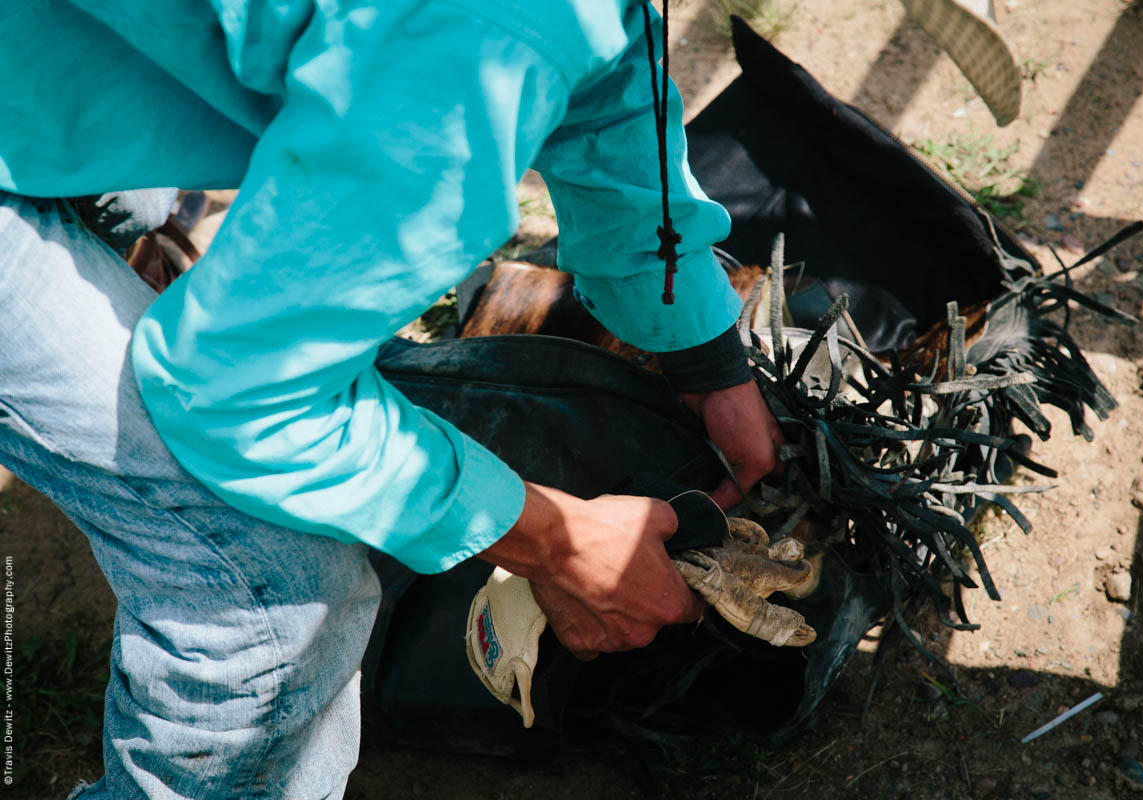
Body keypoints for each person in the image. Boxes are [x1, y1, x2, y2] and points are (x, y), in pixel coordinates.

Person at [0, 1, 781, 797]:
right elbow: (235, 396)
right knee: (267, 583)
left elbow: (605, 87)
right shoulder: (472, 39)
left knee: (162, 238)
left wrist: (702, 351)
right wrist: (556, 542)